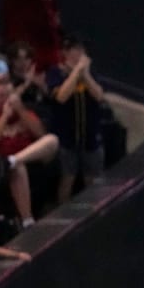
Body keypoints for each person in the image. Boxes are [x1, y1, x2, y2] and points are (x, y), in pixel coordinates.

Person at [0, 73, 60, 229]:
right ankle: (27, 220)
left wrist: (20, 110)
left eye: (8, 96)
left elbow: (40, 134)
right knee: (17, 168)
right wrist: (4, 117)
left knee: (52, 140)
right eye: (1, 97)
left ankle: (13, 160)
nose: (6, 100)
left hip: (30, 161)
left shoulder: (25, 114)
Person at [45, 34, 105, 204]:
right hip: (67, 138)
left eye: (82, 49)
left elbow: (99, 95)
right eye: (76, 49)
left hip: (90, 136)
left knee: (92, 181)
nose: (80, 53)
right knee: (67, 179)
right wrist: (76, 72)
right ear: (66, 51)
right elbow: (61, 96)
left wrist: (84, 74)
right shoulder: (55, 72)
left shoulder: (90, 72)